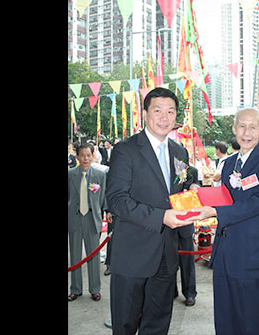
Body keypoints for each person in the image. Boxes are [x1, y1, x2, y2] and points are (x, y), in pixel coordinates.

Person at [105, 87, 200, 335]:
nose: (164, 117)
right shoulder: (125, 150)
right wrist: (161, 217)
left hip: (166, 256)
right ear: (145, 113)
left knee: (158, 323)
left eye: (170, 111)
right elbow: (116, 200)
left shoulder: (179, 151)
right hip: (132, 255)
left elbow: (182, 182)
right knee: (125, 325)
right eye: (157, 110)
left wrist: (193, 187)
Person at [192, 108, 259, 335]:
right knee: (225, 319)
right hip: (225, 251)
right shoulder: (229, 163)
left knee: (252, 322)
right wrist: (199, 194)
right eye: (241, 126)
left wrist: (215, 212)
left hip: (252, 254)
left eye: (253, 127)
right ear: (234, 130)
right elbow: (225, 197)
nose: (247, 132)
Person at [68, 142, 108, 302]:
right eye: (82, 155)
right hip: (75, 219)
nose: (85, 158)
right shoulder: (70, 174)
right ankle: (75, 289)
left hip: (92, 219)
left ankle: (95, 289)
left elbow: (104, 196)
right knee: (75, 255)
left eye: (88, 155)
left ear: (93, 156)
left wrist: (108, 212)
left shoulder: (100, 175)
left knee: (93, 255)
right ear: (76, 156)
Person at [174, 164, 199, 306]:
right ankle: (171, 290)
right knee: (167, 260)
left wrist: (194, 187)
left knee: (187, 261)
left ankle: (190, 293)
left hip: (184, 221)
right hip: (165, 221)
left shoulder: (191, 171)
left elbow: (194, 184)